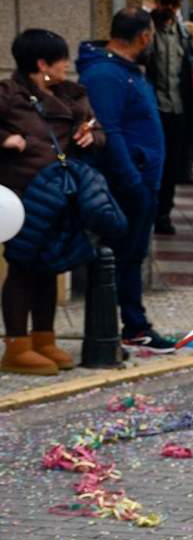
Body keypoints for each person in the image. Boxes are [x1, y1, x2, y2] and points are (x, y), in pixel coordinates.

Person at [0, 29, 114, 374]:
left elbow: (101, 133)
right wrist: (6, 139)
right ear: (42, 64)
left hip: (62, 194)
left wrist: (90, 136)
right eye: (62, 59)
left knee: (50, 266)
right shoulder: (7, 95)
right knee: (22, 267)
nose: (67, 65)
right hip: (23, 194)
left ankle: (44, 338)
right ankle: (17, 346)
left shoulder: (72, 95)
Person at [78, 7, 175, 351]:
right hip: (127, 181)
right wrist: (132, 179)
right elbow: (111, 130)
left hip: (141, 177)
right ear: (145, 37)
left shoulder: (127, 71)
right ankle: (133, 325)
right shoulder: (107, 74)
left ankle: (134, 323)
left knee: (131, 254)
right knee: (125, 256)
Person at [144, 0, 193, 236]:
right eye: (167, 3)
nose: (171, 9)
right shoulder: (147, 29)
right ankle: (151, 211)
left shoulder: (183, 34)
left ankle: (164, 213)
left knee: (172, 166)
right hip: (155, 108)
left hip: (177, 108)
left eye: (175, 4)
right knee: (155, 163)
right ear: (158, 2)